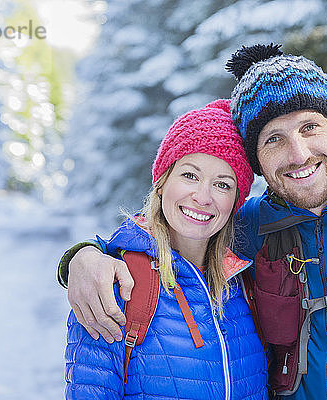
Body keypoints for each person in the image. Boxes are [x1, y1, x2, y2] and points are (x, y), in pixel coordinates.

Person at [59, 44, 327, 399]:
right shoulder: (253, 228)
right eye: (274, 139)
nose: (297, 154)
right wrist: (84, 257)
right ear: (259, 164)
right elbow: (170, 232)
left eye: (309, 127)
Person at [63, 99, 268, 399]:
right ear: (162, 182)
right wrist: (81, 256)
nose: (203, 197)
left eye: (222, 184)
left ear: (236, 200)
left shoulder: (243, 284)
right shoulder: (115, 285)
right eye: (189, 175)